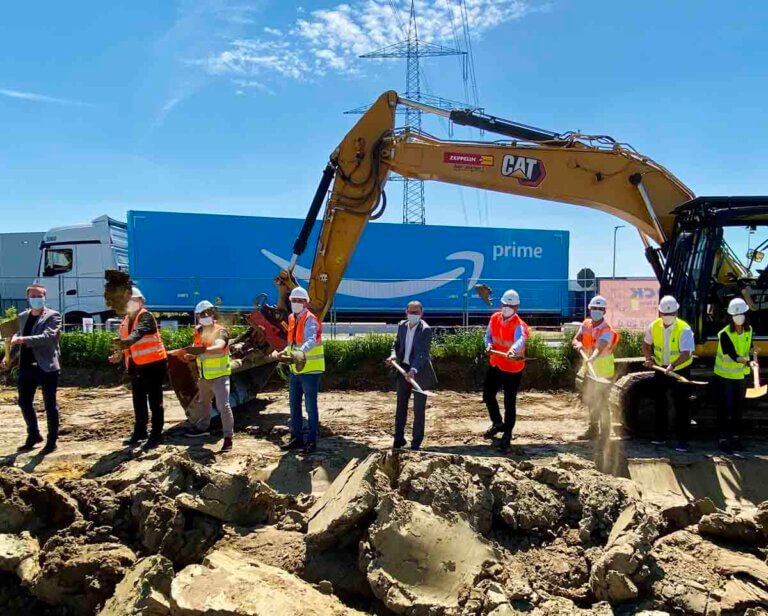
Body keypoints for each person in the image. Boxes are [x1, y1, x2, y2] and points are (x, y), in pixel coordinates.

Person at [3, 283, 62, 454]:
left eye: (39, 296)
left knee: (50, 404)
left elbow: (48, 337)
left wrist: (22, 339)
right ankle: (33, 435)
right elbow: (13, 343)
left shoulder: (53, 316)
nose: (36, 299)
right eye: (33, 296)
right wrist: (8, 358)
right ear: (28, 298)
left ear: (45, 297)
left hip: (47, 366)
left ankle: (52, 441)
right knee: (24, 402)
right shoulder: (22, 317)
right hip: (26, 367)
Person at [111, 287, 168, 450]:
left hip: (154, 364)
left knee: (155, 401)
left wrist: (125, 343)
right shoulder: (126, 321)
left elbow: (137, 334)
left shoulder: (146, 317)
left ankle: (157, 434)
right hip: (136, 365)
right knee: (138, 399)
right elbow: (127, 343)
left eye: (133, 300)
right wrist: (119, 354)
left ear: (141, 301)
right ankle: (140, 431)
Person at [273, 287, 324, 455]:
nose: (296, 303)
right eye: (293, 300)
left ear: (306, 302)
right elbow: (292, 344)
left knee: (310, 407)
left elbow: (309, 340)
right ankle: (297, 438)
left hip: (310, 371)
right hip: (296, 369)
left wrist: (300, 352)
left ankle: (311, 441)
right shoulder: (291, 318)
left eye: (299, 301)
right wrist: (284, 353)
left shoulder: (310, 319)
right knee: (294, 406)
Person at [642, 295, 695, 452]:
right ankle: (660, 436)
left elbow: (686, 353)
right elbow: (646, 345)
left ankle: (682, 440)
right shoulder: (654, 326)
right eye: (665, 314)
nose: (667, 317)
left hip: (680, 370)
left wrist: (673, 365)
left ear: (677, 312)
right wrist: (648, 358)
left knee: (681, 405)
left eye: (670, 314)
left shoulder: (684, 329)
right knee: (660, 402)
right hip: (660, 369)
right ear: (659, 313)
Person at [183, 300, 235, 453]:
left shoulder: (220, 331)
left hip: (220, 375)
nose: (205, 317)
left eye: (207, 313)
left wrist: (200, 351)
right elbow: (198, 351)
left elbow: (219, 347)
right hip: (205, 376)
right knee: (204, 402)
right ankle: (203, 427)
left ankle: (228, 438)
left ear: (213, 314)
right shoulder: (198, 332)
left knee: (223, 406)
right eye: (202, 314)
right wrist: (192, 356)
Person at [386, 300, 437, 451]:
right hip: (403, 369)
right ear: (406, 312)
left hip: (419, 372)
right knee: (401, 406)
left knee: (418, 409)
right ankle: (398, 439)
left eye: (416, 313)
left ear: (421, 314)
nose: (413, 315)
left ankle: (416, 444)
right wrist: (393, 356)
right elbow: (395, 344)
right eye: (411, 312)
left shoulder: (425, 330)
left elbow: (422, 354)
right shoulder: (402, 326)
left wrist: (413, 371)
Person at [483, 289, 529, 451]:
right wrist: (488, 345)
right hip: (496, 363)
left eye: (511, 305)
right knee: (488, 395)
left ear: (516, 307)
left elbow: (520, 339)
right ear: (501, 304)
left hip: (512, 368)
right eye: (505, 304)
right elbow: (488, 336)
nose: (507, 307)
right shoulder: (494, 318)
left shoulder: (520, 325)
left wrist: (513, 350)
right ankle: (497, 423)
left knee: (509, 402)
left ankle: (507, 434)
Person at [572, 295, 620, 439]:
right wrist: (577, 344)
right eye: (594, 308)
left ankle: (605, 434)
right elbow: (576, 338)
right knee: (591, 400)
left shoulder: (607, 330)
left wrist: (592, 357)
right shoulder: (586, 324)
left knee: (602, 402)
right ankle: (593, 430)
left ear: (604, 311)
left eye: (600, 309)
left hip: (603, 371)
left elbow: (600, 346)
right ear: (590, 309)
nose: (596, 311)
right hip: (589, 370)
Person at [713, 298, 755, 454]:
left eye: (741, 314)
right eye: (736, 315)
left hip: (740, 377)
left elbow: (748, 347)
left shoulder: (749, 330)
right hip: (725, 377)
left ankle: (736, 438)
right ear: (730, 317)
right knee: (725, 409)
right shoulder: (724, 334)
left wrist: (752, 353)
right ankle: (723, 440)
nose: (739, 318)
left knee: (737, 409)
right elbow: (731, 354)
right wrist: (747, 361)